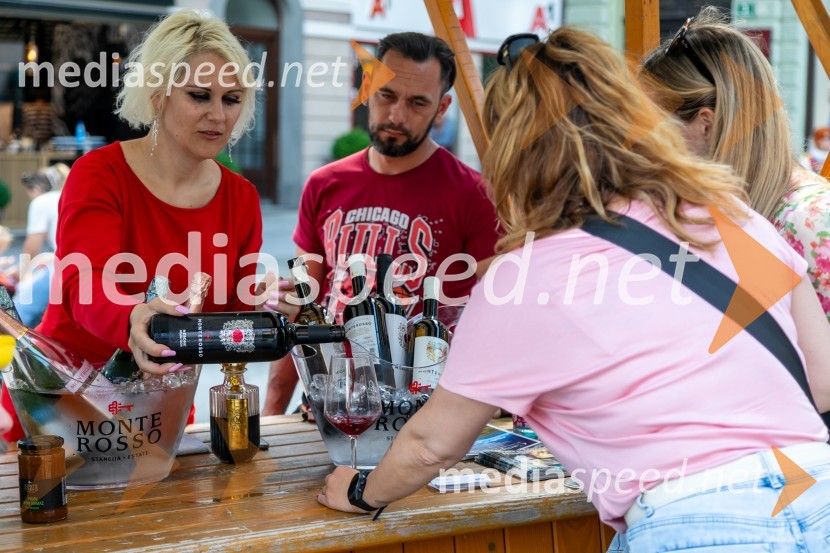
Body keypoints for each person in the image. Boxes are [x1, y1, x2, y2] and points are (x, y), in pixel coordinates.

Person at [316, 27, 830, 552]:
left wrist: (360, 491)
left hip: (695, 522)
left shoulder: (523, 277)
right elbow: (823, 378)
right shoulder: (733, 216)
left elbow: (431, 444)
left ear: (515, 152)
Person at [1, 9, 267, 442]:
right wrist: (133, 318)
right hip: (63, 402)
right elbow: (84, 279)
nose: (218, 115)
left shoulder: (241, 197)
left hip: (163, 413)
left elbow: (229, 317)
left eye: (232, 99)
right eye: (200, 96)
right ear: (158, 93)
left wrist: (271, 309)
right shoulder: (99, 174)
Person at [262, 32, 499, 416]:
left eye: (418, 103)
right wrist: (272, 414)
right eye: (387, 95)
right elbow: (301, 310)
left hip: (423, 415)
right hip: (329, 406)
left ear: (442, 109)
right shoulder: (324, 184)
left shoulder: (475, 195)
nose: (396, 116)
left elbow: (497, 322)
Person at [641, 8, 830, 322]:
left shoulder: (807, 219)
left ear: (706, 124)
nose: (648, 145)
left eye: (655, 126)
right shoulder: (731, 209)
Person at [13, 163, 70, 327]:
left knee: (20, 311)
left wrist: (22, 276)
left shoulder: (42, 202)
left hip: (63, 265)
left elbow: (31, 247)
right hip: (80, 263)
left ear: (36, 189)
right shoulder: (67, 195)